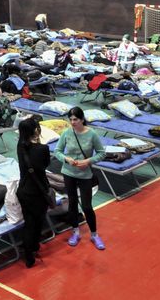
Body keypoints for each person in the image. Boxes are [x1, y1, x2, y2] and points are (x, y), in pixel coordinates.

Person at [54, 107, 106, 250]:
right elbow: (57, 151)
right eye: (70, 119)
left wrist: (88, 161)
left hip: (85, 175)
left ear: (82, 119)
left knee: (87, 206)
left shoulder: (92, 135)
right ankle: (75, 231)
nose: (72, 122)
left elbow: (101, 153)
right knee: (72, 203)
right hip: (68, 173)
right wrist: (66, 159)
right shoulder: (66, 133)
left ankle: (94, 234)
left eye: (75, 119)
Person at [15, 116, 51, 268]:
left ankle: (28, 253)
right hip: (38, 191)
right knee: (37, 222)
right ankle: (32, 248)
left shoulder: (20, 146)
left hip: (23, 190)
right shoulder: (43, 149)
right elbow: (45, 165)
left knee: (29, 222)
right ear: (35, 131)